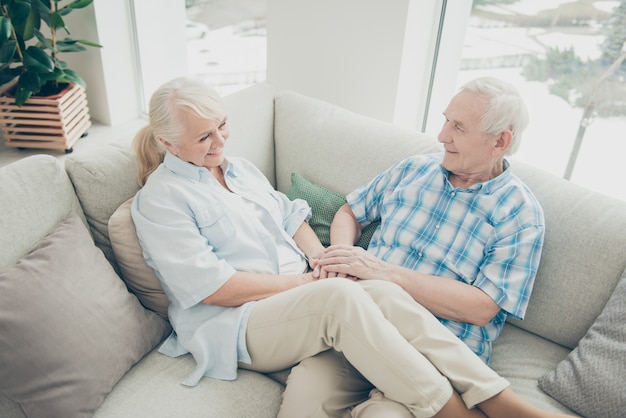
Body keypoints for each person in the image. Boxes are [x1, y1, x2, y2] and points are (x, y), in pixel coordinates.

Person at [130, 76, 571, 418]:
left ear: (501, 140)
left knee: (371, 296)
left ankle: (495, 397)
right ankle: (464, 408)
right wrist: (314, 280)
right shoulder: (162, 198)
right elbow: (213, 288)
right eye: (204, 137)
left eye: (222, 126)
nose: (221, 143)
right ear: (168, 143)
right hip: (240, 319)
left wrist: (326, 262)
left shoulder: (239, 169)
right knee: (352, 293)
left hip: (337, 310)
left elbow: (291, 217)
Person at [280, 76, 551, 417]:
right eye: (445, 120)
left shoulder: (520, 213)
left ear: (500, 141)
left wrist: (382, 272)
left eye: (458, 127)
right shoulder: (414, 169)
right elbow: (351, 211)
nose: (442, 136)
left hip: (435, 354)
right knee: (305, 393)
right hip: (359, 326)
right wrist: (343, 255)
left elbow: (482, 308)